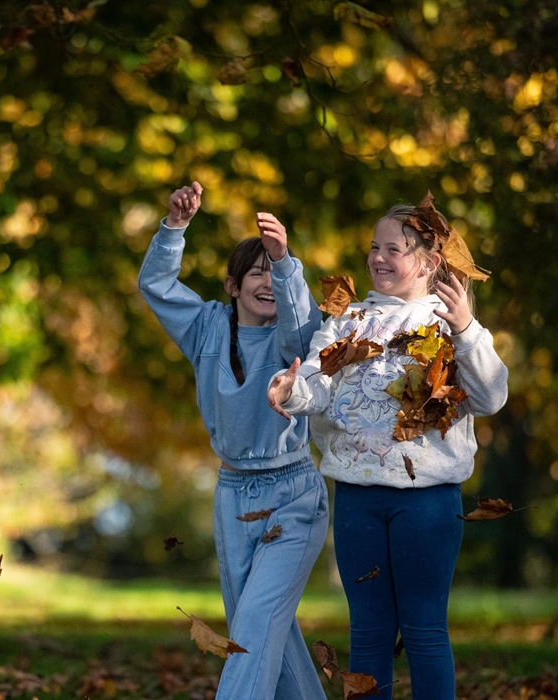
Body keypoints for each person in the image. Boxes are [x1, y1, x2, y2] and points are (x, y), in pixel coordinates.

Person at [267, 196, 508, 699]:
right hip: (358, 499)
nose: (378, 256)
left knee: (423, 631)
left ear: (429, 262)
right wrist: (290, 389)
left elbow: (489, 397)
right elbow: (318, 383)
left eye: (393, 249)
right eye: (374, 247)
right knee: (369, 636)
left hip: (428, 502)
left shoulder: (451, 325)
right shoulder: (348, 320)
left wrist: (465, 328)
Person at [138, 182, 329, 700]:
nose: (267, 281)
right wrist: (174, 226)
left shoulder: (295, 338)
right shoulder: (206, 329)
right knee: (267, 632)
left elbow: (302, 317)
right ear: (232, 284)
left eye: (274, 271)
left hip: (293, 494)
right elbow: (156, 284)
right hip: (232, 494)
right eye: (257, 271)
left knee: (254, 626)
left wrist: (285, 259)